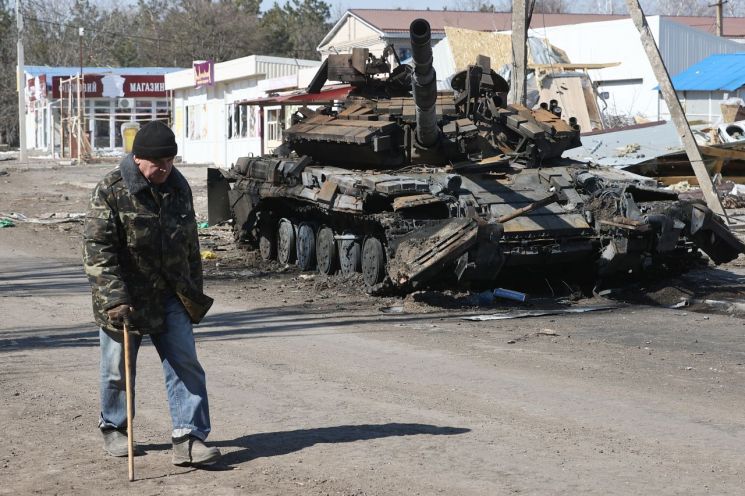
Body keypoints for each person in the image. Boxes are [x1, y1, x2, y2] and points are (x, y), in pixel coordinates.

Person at [83, 120, 221, 467]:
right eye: (158, 162)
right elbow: (98, 249)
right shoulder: (111, 190)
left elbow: (190, 241)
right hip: (124, 299)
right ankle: (115, 427)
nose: (164, 168)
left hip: (170, 294)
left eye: (170, 161)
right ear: (138, 159)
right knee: (117, 368)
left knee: (185, 363)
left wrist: (192, 291)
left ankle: (189, 437)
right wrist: (114, 297)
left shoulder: (178, 186)